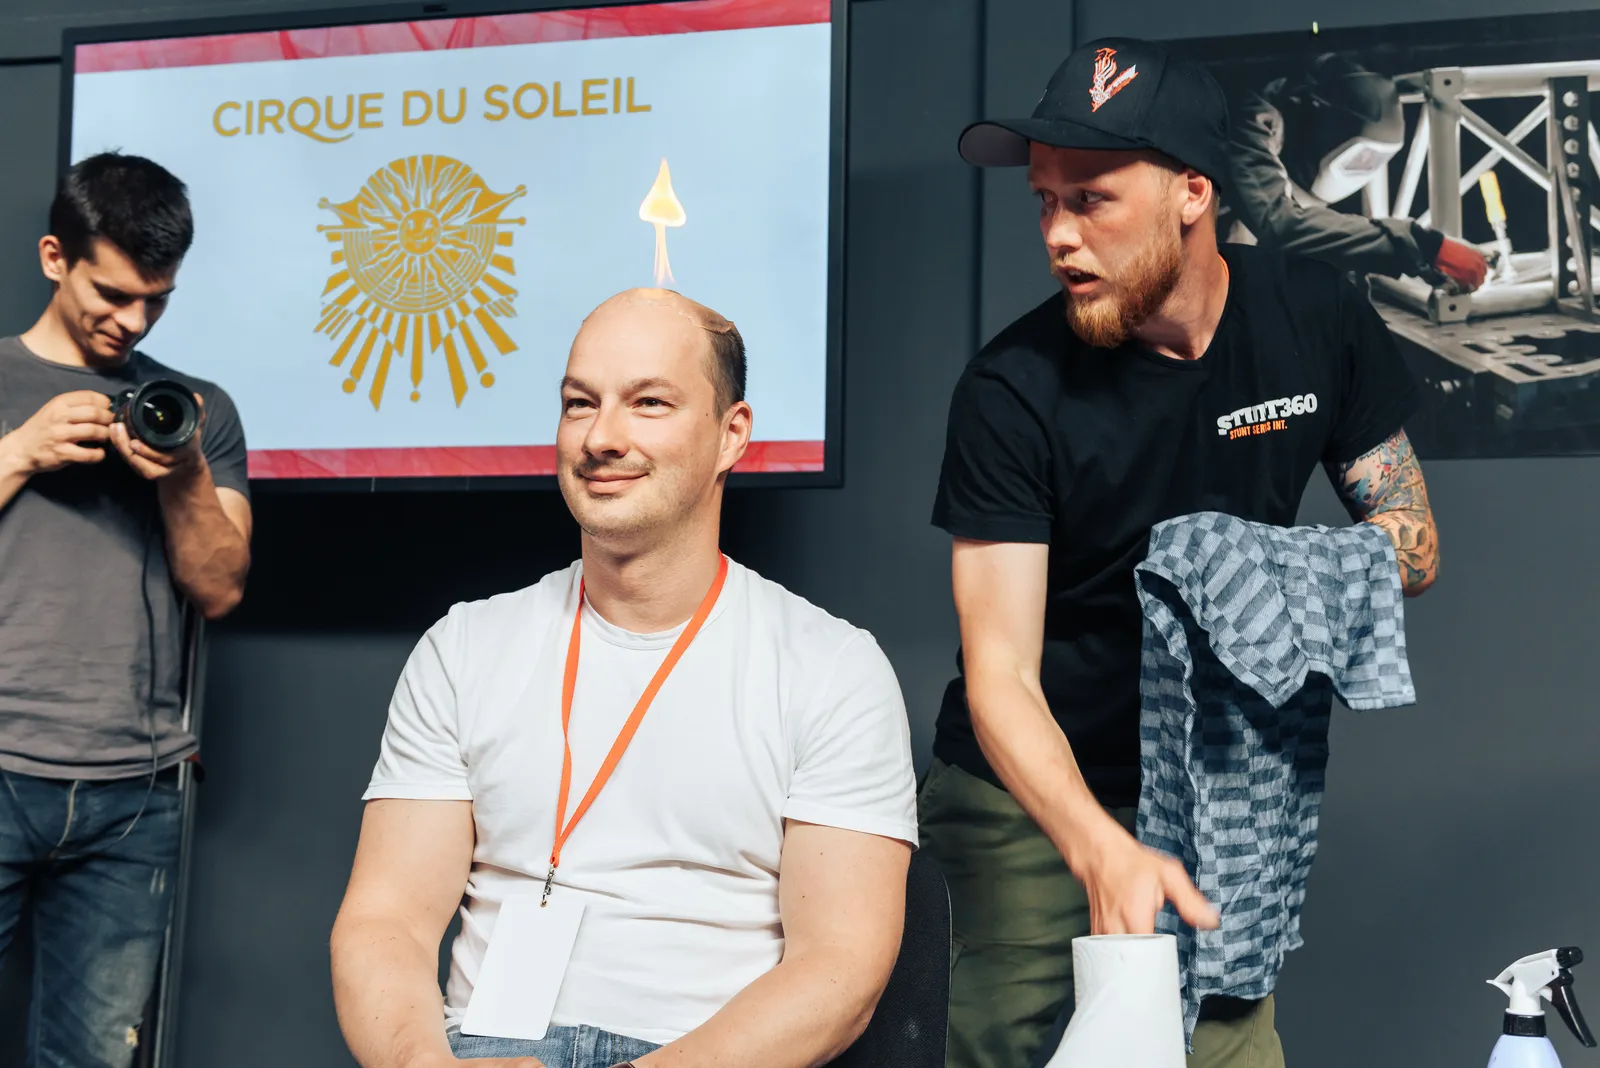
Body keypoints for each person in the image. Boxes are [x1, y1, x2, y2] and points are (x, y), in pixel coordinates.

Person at [922, 37, 1440, 1068]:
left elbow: (1413, 545)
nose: (1058, 235)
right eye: (1044, 201)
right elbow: (999, 676)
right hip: (1029, 796)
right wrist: (1098, 847)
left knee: (1227, 1051)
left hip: (1218, 784)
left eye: (1092, 200)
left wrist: (1248, 565)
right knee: (1012, 1052)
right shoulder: (1010, 390)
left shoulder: (1316, 316)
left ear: (1192, 192)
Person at [330, 288, 918, 1068]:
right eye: (580, 403)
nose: (602, 437)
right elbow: (386, 922)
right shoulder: (465, 647)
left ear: (731, 435)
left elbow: (839, 970)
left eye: (648, 403)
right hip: (481, 1051)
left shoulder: (831, 669)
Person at [0, 152, 253, 1065]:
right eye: (113, 294)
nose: (134, 322)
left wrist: (182, 478)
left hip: (132, 797)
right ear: (54, 258)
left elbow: (221, 588)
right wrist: (20, 451)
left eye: (157, 301)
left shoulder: (192, 411)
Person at [1222, 52, 1489, 291]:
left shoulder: (1276, 146)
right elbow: (1281, 224)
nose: (1361, 169)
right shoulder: (1248, 119)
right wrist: (1424, 246)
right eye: (1358, 157)